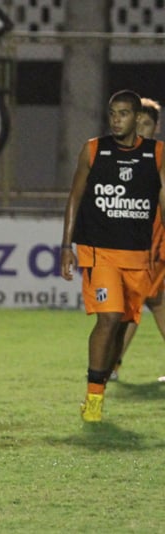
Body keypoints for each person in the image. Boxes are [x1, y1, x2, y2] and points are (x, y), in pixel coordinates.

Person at [60, 90, 165, 422]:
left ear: (137, 118)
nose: (117, 119)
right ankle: (93, 399)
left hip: (137, 257)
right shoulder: (94, 150)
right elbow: (75, 197)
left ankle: (109, 370)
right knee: (108, 317)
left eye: (123, 114)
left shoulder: (157, 154)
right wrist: (66, 246)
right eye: (112, 114)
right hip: (99, 252)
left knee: (123, 323)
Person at [113, 98, 165, 381]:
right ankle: (113, 365)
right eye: (138, 123)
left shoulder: (157, 157)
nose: (141, 129)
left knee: (135, 301)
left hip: (154, 245)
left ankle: (112, 365)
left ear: (156, 128)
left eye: (147, 124)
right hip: (135, 245)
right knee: (153, 302)